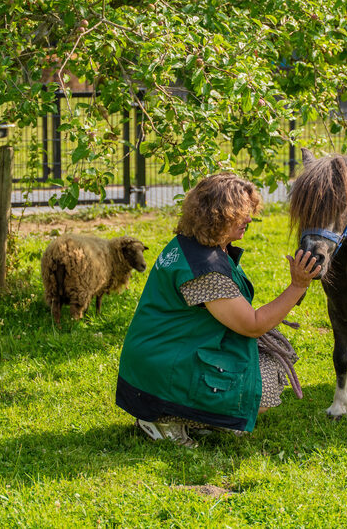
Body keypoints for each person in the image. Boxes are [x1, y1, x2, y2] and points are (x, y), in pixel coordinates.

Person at [115, 173, 320, 446]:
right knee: (262, 388)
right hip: (160, 372)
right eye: (242, 213)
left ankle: (193, 415)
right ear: (217, 215)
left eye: (250, 211)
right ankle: (162, 417)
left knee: (262, 367)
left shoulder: (190, 245)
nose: (249, 219)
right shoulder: (204, 270)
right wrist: (298, 286)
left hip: (160, 357)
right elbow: (253, 324)